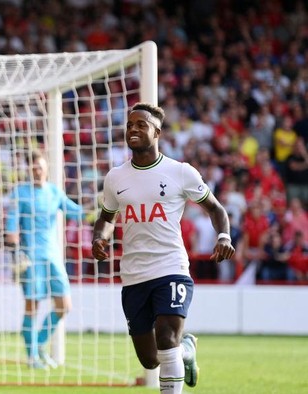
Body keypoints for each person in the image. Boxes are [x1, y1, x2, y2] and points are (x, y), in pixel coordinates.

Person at [91, 102, 235, 393]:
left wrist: (224, 238)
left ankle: (178, 349)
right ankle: (187, 351)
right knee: (150, 360)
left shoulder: (180, 172)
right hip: (133, 275)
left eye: (140, 124)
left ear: (156, 132)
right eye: (130, 124)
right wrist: (100, 238)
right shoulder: (115, 178)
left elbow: (216, 209)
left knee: (167, 339)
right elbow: (106, 219)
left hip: (171, 268)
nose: (132, 129)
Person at [5, 149, 85, 369]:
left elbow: (76, 212)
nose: (37, 171)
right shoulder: (20, 193)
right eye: (33, 168)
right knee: (32, 305)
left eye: (39, 167)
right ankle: (32, 357)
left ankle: (40, 343)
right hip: (30, 257)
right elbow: (11, 227)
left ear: (46, 168)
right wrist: (15, 252)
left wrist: (99, 207)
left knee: (64, 305)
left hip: (53, 256)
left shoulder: (54, 192)